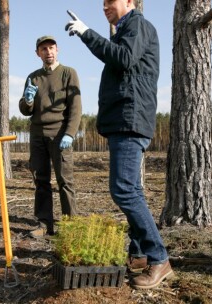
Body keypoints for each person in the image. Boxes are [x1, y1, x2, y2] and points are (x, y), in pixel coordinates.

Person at [65, 0, 173, 290]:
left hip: (130, 120)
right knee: (131, 189)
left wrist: (87, 33)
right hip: (125, 120)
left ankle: (159, 258)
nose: (104, 7)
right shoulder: (126, 29)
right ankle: (138, 254)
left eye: (109, 2)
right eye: (102, 3)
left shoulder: (138, 25)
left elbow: (123, 58)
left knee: (123, 189)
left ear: (129, 1)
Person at [19, 35, 82, 237]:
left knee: (65, 180)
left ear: (58, 50)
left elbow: (76, 108)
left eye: (51, 48)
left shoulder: (68, 73)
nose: (48, 52)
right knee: (41, 180)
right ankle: (44, 224)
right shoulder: (33, 77)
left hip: (59, 134)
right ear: (38, 53)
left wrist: (70, 133)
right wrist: (27, 99)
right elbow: (26, 110)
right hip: (37, 134)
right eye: (44, 49)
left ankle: (70, 225)